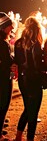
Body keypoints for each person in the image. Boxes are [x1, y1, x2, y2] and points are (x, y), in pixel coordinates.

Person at [14, 16, 45, 141]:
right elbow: (38, 65)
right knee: (33, 111)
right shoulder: (35, 44)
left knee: (28, 108)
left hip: (23, 80)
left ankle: (18, 136)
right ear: (37, 29)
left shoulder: (18, 43)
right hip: (34, 80)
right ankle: (30, 138)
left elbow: (17, 61)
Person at [0, 12, 15, 141]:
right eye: (9, 25)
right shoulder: (3, 44)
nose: (12, 28)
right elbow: (7, 61)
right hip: (3, 80)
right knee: (2, 105)